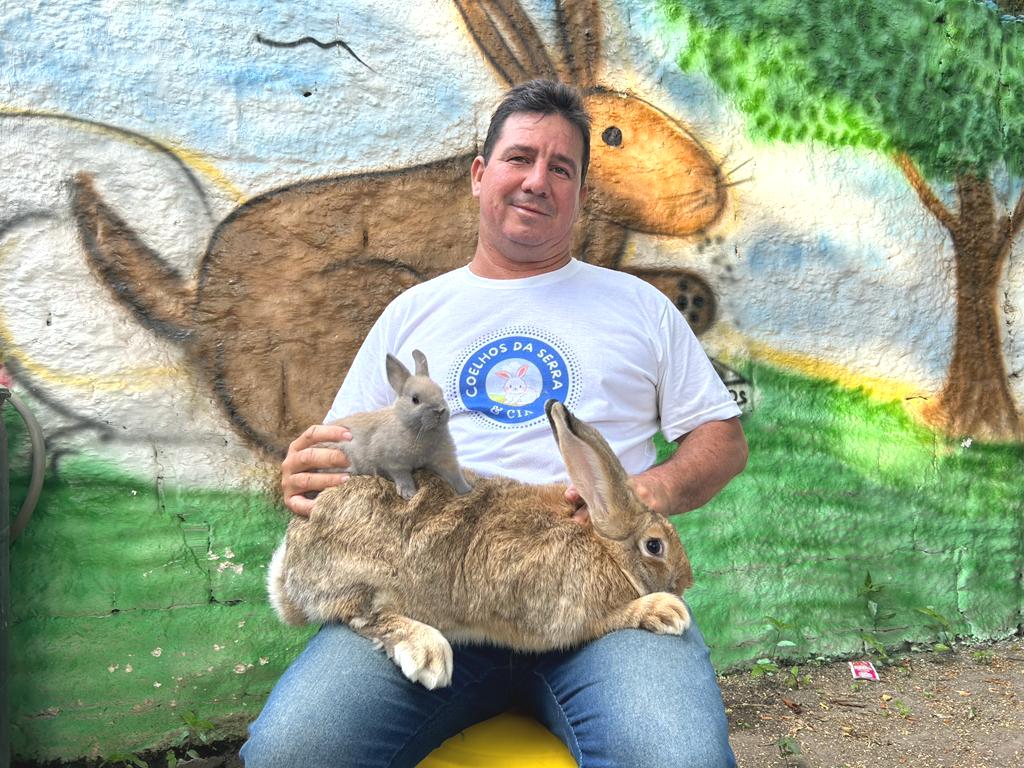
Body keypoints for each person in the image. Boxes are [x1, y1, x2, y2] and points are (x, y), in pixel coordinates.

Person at [241, 79, 748, 768]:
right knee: (293, 751)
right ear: (481, 175)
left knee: (674, 756)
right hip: (427, 593)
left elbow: (721, 441)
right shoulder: (414, 312)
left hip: (601, 596)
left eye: (561, 167)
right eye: (519, 158)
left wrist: (641, 498)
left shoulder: (640, 305)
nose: (537, 180)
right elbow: (343, 453)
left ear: (581, 193)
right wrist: (300, 472)